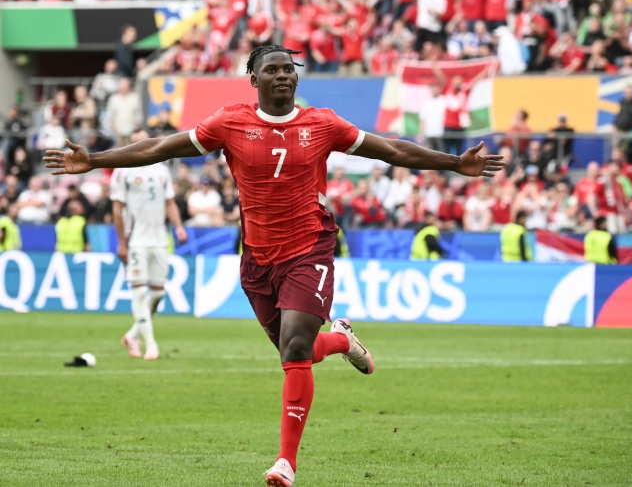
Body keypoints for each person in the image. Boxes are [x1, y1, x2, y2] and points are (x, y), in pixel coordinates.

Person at [44, 44, 504, 487]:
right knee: (295, 351)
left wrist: (451, 162)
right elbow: (163, 147)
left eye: (289, 69)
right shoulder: (230, 122)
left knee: (294, 349)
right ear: (254, 79)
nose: (284, 75)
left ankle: (286, 462)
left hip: (310, 249)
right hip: (257, 259)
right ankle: (341, 339)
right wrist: (97, 160)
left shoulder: (322, 123)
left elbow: (390, 150)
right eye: (273, 70)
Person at [110, 131, 188, 361]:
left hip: (159, 240)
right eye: (138, 141)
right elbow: (117, 209)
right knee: (139, 293)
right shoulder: (122, 170)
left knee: (157, 294)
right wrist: (121, 242)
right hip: (136, 240)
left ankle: (133, 334)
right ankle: (151, 344)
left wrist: (179, 227)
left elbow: (169, 202)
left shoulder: (161, 169)